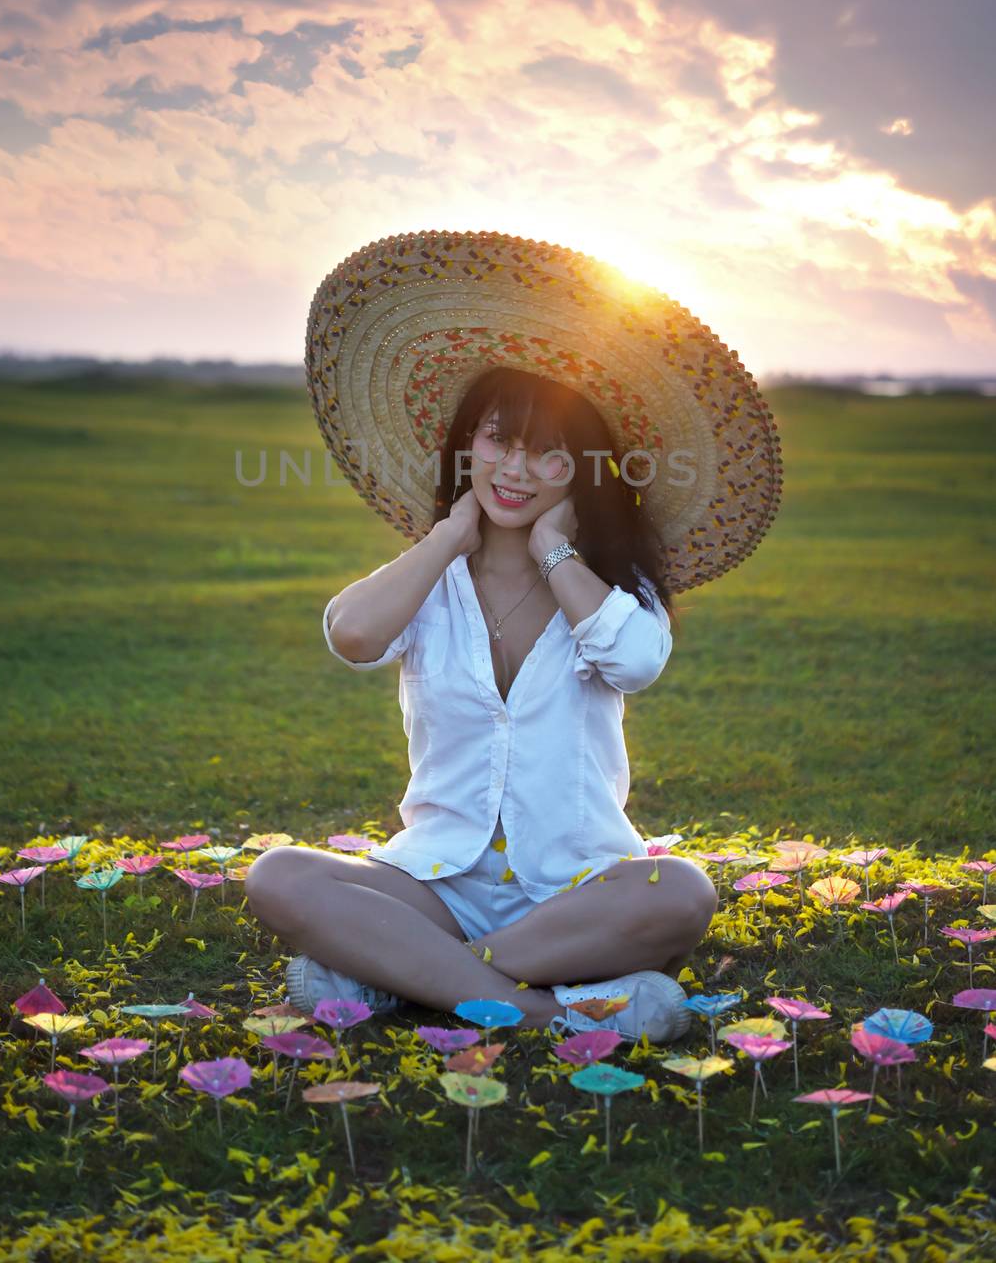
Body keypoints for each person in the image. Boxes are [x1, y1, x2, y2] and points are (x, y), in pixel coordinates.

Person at [245, 365, 719, 1043]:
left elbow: (637, 662)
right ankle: (551, 1012)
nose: (516, 469)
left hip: (576, 891)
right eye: (500, 440)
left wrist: (554, 553)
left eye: (549, 451)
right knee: (279, 876)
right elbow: (352, 634)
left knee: (681, 892)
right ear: (469, 444)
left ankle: (401, 978)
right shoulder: (431, 578)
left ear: (582, 469)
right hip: (438, 888)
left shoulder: (609, 586)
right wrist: (445, 537)